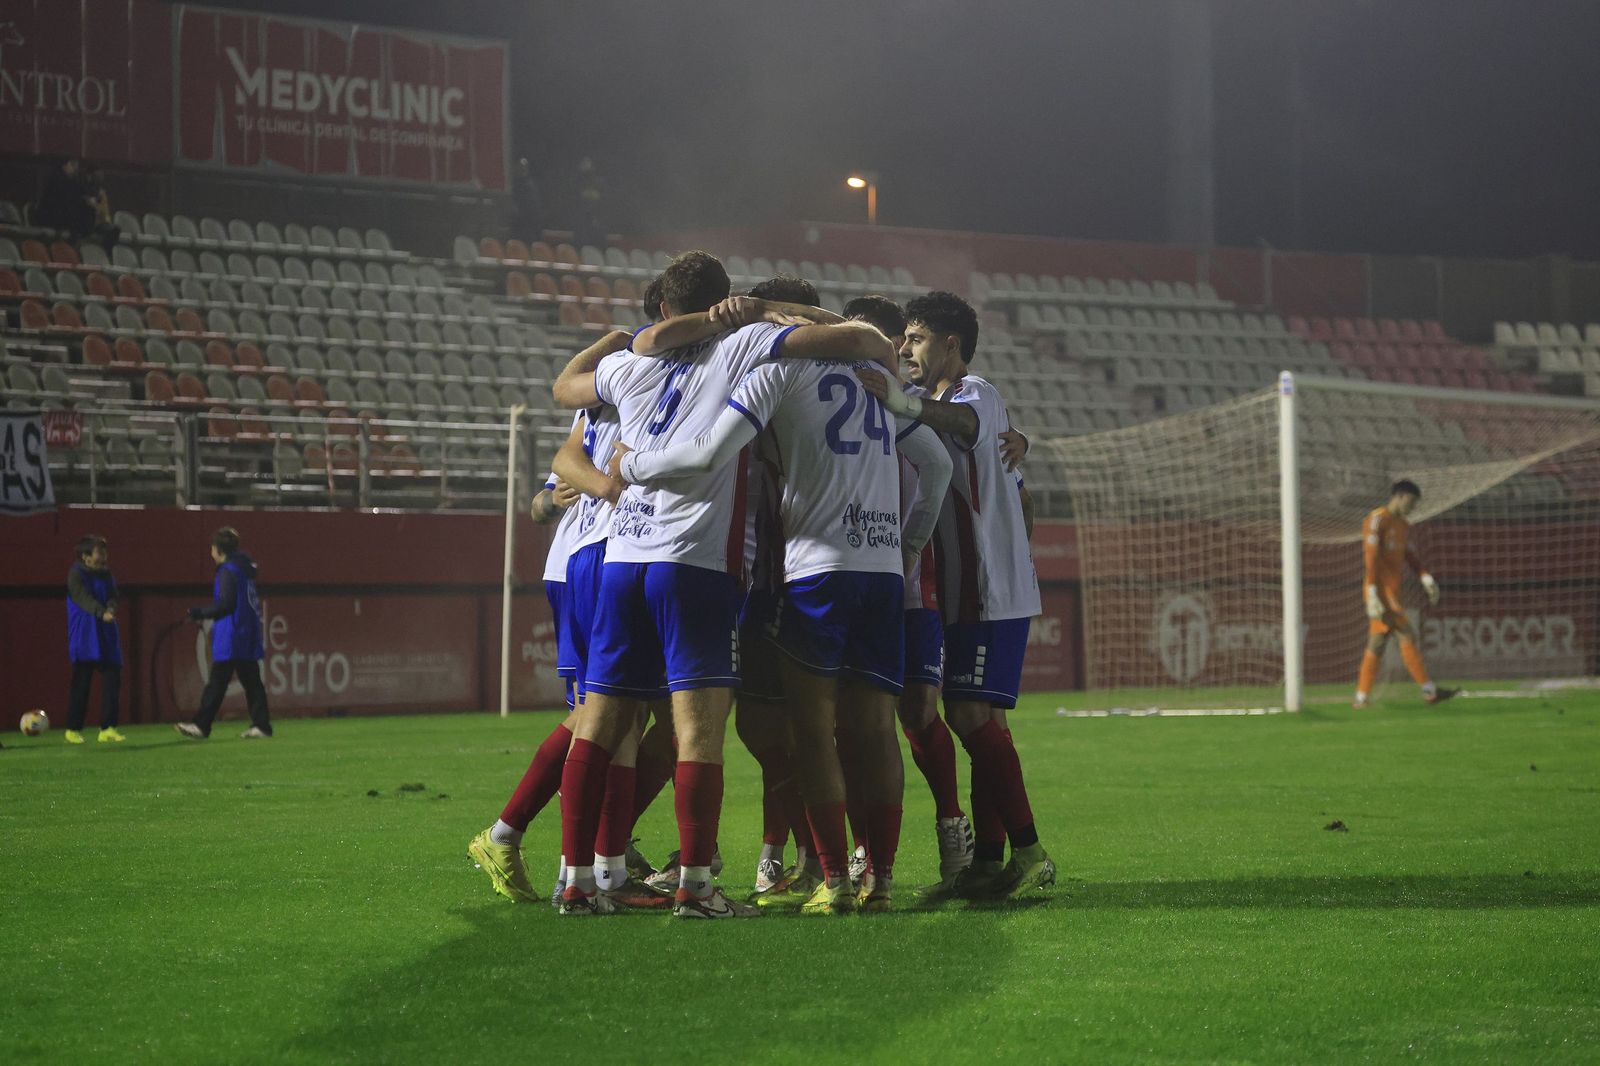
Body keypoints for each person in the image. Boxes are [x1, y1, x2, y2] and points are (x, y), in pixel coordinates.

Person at [550, 250, 894, 918]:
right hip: (695, 562)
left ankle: (578, 881)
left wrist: (627, 340)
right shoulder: (743, 347)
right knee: (697, 731)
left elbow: (566, 388)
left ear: (664, 308)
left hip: (622, 558)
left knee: (598, 723)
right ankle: (697, 887)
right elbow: (861, 340)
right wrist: (764, 310)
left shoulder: (633, 363)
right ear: (725, 302)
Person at [616, 277, 949, 914]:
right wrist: (906, 549)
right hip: (882, 571)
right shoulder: (876, 378)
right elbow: (937, 464)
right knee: (876, 730)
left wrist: (630, 466)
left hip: (816, 569)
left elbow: (708, 453)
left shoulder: (776, 371)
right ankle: (879, 880)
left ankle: (833, 879)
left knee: (812, 731)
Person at [859, 291, 1056, 899]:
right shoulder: (946, 409)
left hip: (986, 589)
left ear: (950, 345)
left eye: (916, 339)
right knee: (982, 720)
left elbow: (967, 425)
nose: (905, 350)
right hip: (975, 587)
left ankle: (1030, 852)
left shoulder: (976, 394)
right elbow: (1020, 495)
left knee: (968, 717)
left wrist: (897, 399)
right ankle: (988, 862)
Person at [1353, 480, 1459, 708]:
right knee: (1406, 635)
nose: (1412, 507)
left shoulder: (1402, 525)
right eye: (1411, 502)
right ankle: (1429, 691)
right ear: (1400, 496)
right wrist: (1372, 591)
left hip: (1391, 591)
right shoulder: (1377, 519)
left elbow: (1408, 554)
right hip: (1381, 592)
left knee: (1378, 642)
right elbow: (1371, 556)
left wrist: (1424, 576)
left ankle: (1361, 698)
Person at [175, 528, 272, 740]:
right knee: (252, 682)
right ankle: (262, 725)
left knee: (218, 682)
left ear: (218, 550)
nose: (211, 552)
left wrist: (199, 612)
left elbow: (226, 604)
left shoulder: (228, 571)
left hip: (232, 633)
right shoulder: (244, 569)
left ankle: (201, 725)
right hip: (247, 631)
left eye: (212, 548)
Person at [64, 534, 125, 744]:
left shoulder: (107, 574)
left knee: (113, 680)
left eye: (105, 551)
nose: (104, 556)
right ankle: (73, 729)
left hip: (106, 633)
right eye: (100, 552)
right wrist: (101, 612)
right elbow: (83, 599)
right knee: (81, 684)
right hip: (85, 633)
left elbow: (114, 596)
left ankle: (108, 728)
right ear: (85, 556)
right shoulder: (75, 574)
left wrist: (112, 608)